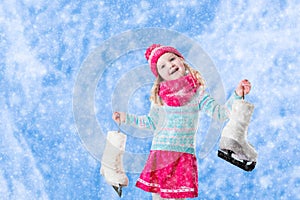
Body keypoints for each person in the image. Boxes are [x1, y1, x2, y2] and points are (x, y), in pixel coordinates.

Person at [112, 44, 251, 200]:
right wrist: (126, 118)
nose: (170, 65)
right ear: (160, 76)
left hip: (181, 156)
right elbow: (151, 122)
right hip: (160, 156)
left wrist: (237, 95)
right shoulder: (160, 97)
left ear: (182, 60)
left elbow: (220, 113)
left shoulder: (197, 93)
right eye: (162, 66)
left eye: (172, 59)